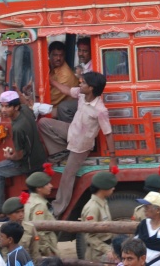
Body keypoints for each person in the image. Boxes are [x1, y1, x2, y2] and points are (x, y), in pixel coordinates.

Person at [39, 71, 115, 216]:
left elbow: (108, 133)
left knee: (68, 175)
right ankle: (60, 151)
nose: (80, 83)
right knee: (44, 123)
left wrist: (112, 158)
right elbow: (67, 90)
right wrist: (51, 81)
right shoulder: (81, 95)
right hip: (71, 132)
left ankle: (57, 209)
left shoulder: (100, 110)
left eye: (84, 82)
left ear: (91, 88)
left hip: (81, 146)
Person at [0, 91, 48, 219]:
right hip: (38, 156)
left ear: (16, 107)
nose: (3, 110)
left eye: (7, 106)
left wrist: (9, 156)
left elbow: (19, 156)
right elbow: (25, 102)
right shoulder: (25, 110)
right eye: (2, 106)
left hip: (28, 164)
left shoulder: (18, 128)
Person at [81, 170, 117, 262]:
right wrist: (106, 249)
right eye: (110, 186)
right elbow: (90, 236)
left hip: (104, 248)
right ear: (103, 188)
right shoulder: (93, 208)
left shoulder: (103, 202)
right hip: (97, 253)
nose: (113, 188)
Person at [23, 170, 57, 258]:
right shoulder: (39, 205)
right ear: (39, 188)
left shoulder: (29, 201)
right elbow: (39, 231)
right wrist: (47, 251)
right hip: (44, 249)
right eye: (47, 184)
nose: (51, 186)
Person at [45, 41, 79, 123]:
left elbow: (51, 99)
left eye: (61, 55)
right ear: (49, 54)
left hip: (63, 110)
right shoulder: (48, 64)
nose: (58, 58)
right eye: (55, 55)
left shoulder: (65, 75)